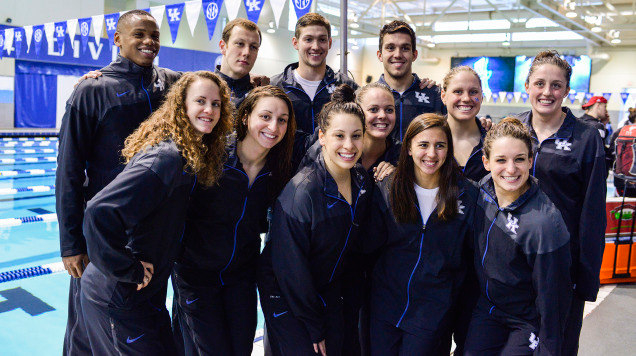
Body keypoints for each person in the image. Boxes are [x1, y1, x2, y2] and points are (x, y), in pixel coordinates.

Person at [79, 71, 233, 354]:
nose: (209, 110)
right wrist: (129, 269)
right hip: (118, 292)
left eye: (216, 104)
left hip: (144, 293)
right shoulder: (166, 158)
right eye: (200, 101)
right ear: (182, 106)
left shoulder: (188, 155)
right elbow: (99, 212)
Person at [55, 10, 180, 355]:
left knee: (135, 321)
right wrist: (70, 243)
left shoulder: (169, 84)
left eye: (154, 36)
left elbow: (213, 89)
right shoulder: (92, 91)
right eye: (139, 34)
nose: (148, 42)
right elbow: (68, 169)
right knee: (85, 325)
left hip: (149, 233)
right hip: (102, 231)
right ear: (118, 39)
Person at [172, 86, 296, 356]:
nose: (273, 127)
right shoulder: (211, 155)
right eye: (265, 116)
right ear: (245, 117)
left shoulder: (279, 168)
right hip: (196, 276)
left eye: (282, 120)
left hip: (240, 276)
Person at [257, 84, 372, 356]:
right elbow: (290, 267)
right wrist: (311, 323)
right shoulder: (303, 192)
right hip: (285, 290)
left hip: (324, 286)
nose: (349, 145)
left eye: (356, 136)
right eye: (339, 136)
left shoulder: (361, 180)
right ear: (322, 137)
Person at [516, 50, 606, 355]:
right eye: (539, 83)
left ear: (567, 91)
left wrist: (586, 278)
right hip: (514, 263)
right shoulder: (512, 130)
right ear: (527, 85)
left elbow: (593, 214)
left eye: (556, 85)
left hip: (562, 268)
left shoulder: (586, 137)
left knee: (558, 346)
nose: (547, 92)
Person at [366, 114, 479, 355]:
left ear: (449, 149)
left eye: (440, 145)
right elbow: (369, 248)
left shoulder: (467, 194)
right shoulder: (388, 188)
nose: (431, 154)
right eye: (423, 145)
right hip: (384, 309)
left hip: (432, 314)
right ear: (408, 148)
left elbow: (469, 259)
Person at [464, 118, 572, 355]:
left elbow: (553, 298)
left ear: (531, 161)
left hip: (525, 320)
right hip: (488, 308)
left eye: (519, 159)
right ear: (486, 162)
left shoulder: (544, 223)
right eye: (501, 160)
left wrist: (548, 348)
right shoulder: (480, 193)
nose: (511, 169)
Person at [437, 65, 490, 354]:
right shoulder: (428, 140)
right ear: (443, 95)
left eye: (473, 92)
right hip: (433, 264)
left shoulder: (493, 144)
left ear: (481, 97)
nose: (465, 98)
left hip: (479, 265)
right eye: (457, 91)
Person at [271, 13, 359, 135]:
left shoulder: (346, 86)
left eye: (322, 40)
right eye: (308, 39)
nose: (316, 46)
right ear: (295, 43)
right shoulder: (276, 86)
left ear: (329, 43)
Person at [376, 20, 446, 142]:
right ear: (380, 55)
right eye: (390, 48)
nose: (397, 54)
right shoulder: (366, 98)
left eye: (405, 48)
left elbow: (458, 129)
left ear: (414, 55)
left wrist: (480, 123)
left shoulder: (435, 95)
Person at [215, 18, 262, 107]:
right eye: (240, 44)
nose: (247, 53)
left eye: (253, 47)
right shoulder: (201, 89)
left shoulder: (261, 97)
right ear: (223, 47)